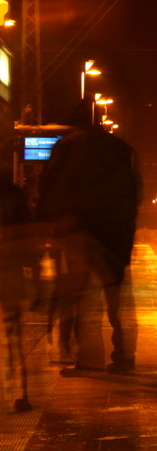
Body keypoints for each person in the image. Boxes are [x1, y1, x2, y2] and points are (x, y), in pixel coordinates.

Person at [37, 99, 141, 374]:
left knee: (83, 298)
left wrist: (48, 224)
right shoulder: (121, 148)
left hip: (79, 232)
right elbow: (134, 192)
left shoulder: (69, 146)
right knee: (117, 300)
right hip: (117, 235)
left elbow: (51, 187)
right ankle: (124, 356)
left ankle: (89, 359)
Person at [0, 167, 37, 409]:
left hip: (10, 269)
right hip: (10, 270)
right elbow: (28, 234)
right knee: (14, 335)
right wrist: (33, 271)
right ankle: (19, 394)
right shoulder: (14, 194)